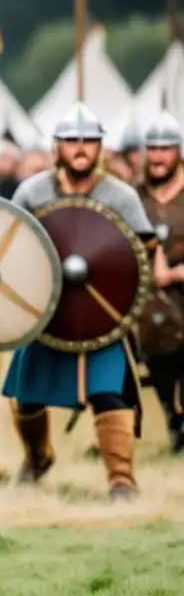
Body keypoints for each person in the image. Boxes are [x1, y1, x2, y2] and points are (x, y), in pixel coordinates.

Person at [2, 103, 158, 500]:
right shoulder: (32, 192)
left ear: (101, 148)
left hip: (101, 317)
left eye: (89, 141)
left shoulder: (120, 197)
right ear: (57, 147)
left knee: (111, 395)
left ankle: (121, 481)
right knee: (27, 397)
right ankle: (37, 459)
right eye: (72, 141)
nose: (81, 148)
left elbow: (143, 251)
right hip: (47, 316)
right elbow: (10, 247)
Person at [135, 110, 184, 453]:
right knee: (160, 367)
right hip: (150, 301)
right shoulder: (134, 196)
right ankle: (174, 420)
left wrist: (176, 273)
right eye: (152, 148)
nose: (157, 155)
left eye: (165, 148)